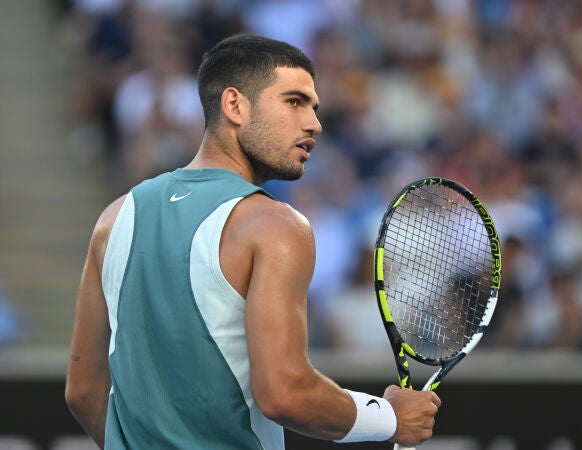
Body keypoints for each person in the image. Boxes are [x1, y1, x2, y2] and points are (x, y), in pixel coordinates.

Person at [65, 33, 440, 449]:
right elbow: (285, 392)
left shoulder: (113, 219)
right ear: (234, 105)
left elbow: (82, 391)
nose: (314, 122)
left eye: (313, 107)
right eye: (294, 102)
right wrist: (388, 417)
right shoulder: (277, 226)